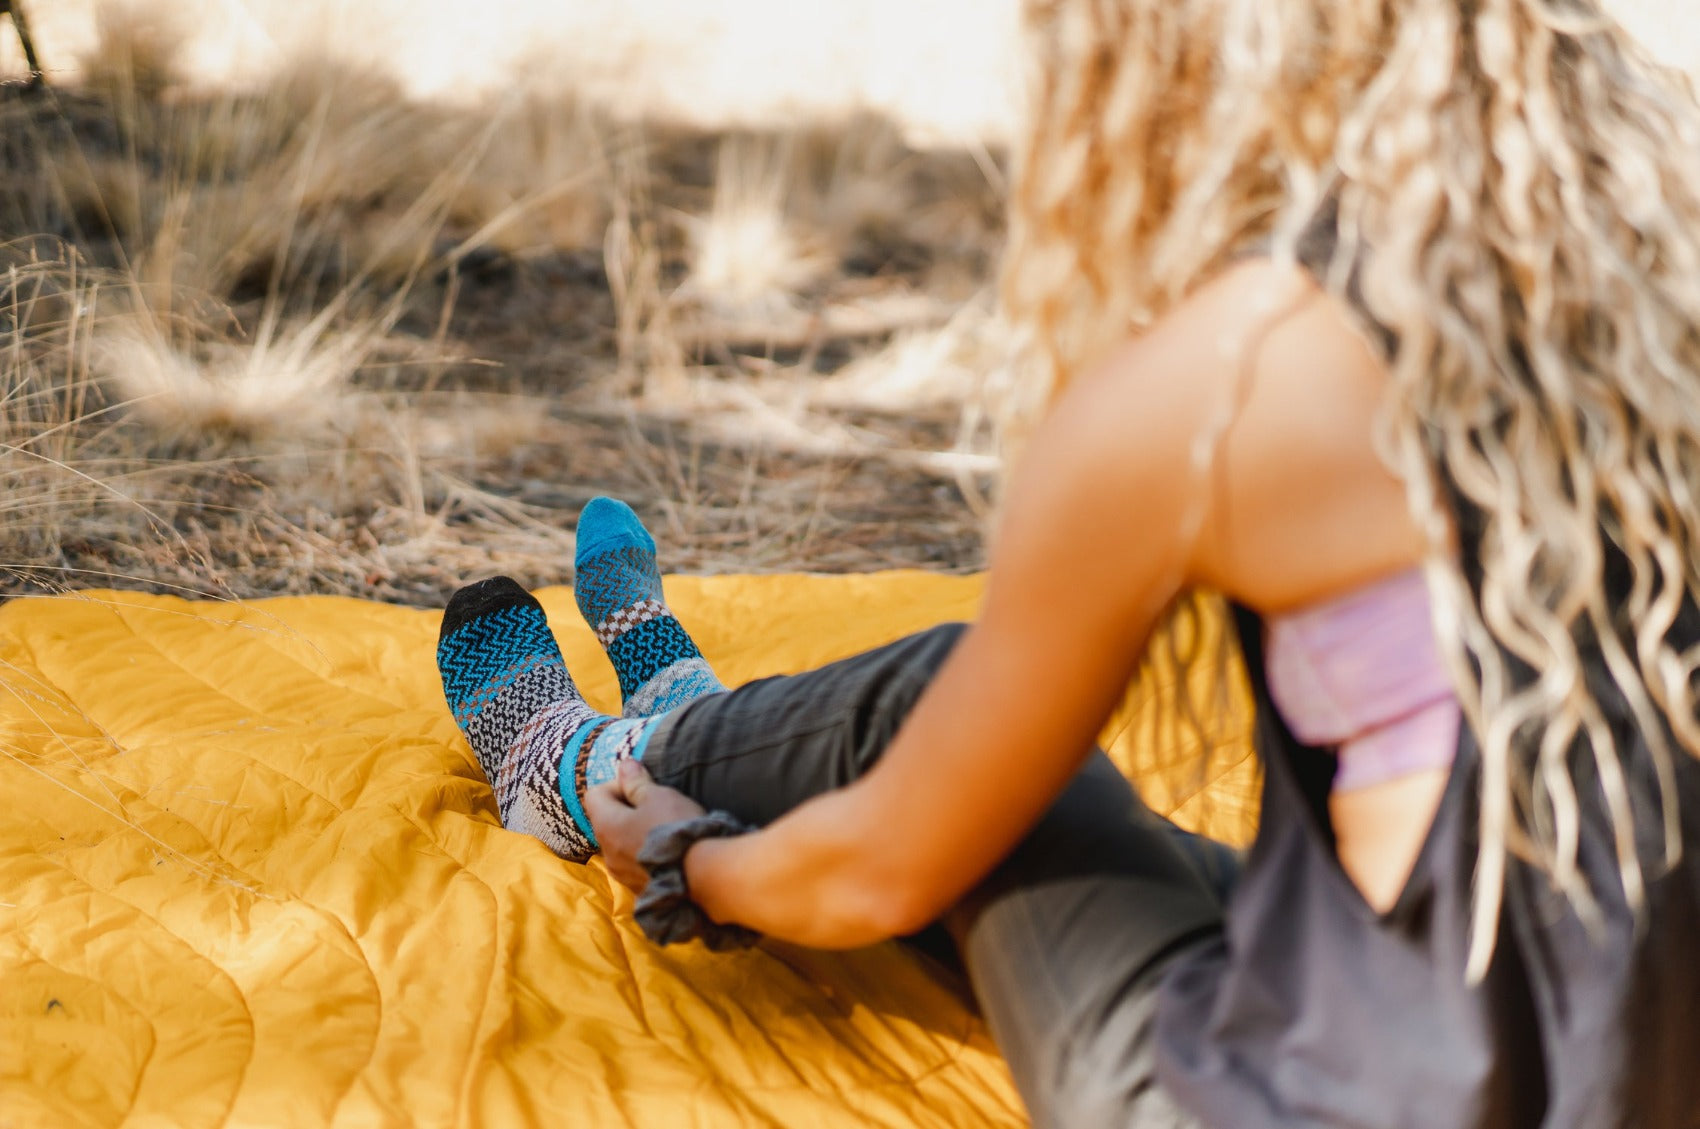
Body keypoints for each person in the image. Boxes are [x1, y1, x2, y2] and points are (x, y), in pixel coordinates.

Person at [433, 1, 1700, 1124]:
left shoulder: (1221, 387)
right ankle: (670, 702)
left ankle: (582, 764)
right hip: (1585, 1059)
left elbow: (887, 861)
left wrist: (690, 860)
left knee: (927, 709)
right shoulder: (1660, 289)